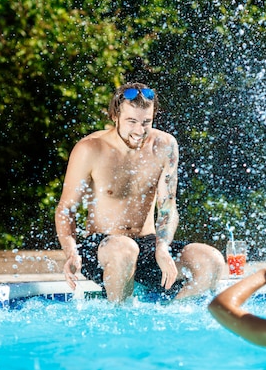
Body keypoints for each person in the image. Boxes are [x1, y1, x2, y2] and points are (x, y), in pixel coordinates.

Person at [55, 82, 225, 302]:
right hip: (103, 247)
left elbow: (168, 207)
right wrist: (71, 253)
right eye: (131, 121)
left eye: (146, 122)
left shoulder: (164, 146)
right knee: (124, 248)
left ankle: (171, 321)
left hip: (147, 243)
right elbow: (65, 208)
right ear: (115, 116)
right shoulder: (91, 148)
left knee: (211, 261)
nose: (139, 130)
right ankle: (121, 323)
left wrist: (162, 248)